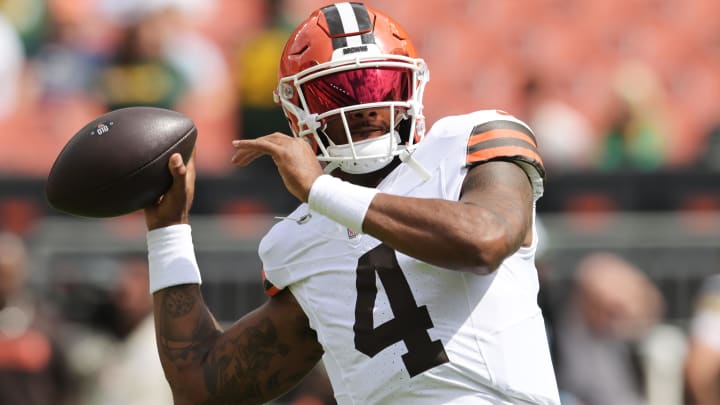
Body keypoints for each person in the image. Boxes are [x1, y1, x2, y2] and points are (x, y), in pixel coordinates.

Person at [142, 3, 559, 404]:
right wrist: (168, 231)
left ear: (409, 84)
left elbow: (484, 241)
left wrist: (321, 191)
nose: (362, 107)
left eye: (377, 85)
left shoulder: (465, 144)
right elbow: (201, 388)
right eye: (334, 93)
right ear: (298, 109)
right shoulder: (302, 238)